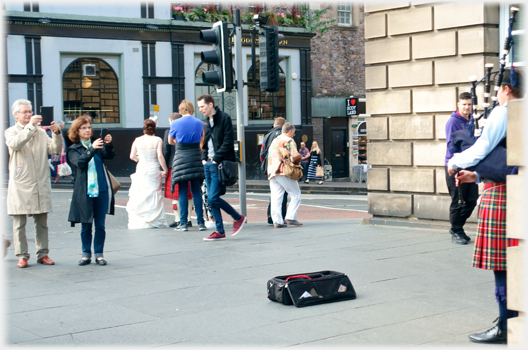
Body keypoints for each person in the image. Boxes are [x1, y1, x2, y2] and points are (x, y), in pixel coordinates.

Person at [448, 68, 524, 344]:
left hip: (504, 196)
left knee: (503, 265)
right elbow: (511, 159)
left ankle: (507, 324)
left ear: (504, 89)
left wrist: (455, 162)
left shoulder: (505, 112)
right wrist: (477, 175)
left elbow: (483, 148)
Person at [5, 99, 62, 268]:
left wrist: (57, 134)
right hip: (21, 182)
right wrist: (30, 126)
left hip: (40, 182)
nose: (29, 114)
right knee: (19, 223)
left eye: (30, 111)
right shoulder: (10, 131)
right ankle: (22, 255)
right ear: (15, 115)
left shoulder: (41, 132)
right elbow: (15, 144)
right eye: (25, 112)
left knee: (42, 222)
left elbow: (54, 150)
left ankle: (43, 254)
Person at [67, 115, 115, 266]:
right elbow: (80, 162)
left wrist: (108, 144)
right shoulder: (73, 149)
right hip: (84, 192)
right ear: (77, 131)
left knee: (100, 224)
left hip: (101, 190)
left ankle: (99, 254)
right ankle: (86, 253)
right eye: (84, 128)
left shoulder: (97, 145)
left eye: (89, 127)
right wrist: (92, 148)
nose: (88, 130)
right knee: (86, 225)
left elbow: (109, 156)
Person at [198, 94, 246, 241]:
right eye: (199, 107)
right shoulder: (205, 122)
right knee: (212, 199)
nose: (201, 109)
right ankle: (220, 230)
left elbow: (227, 141)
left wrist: (215, 160)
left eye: (203, 106)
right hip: (209, 164)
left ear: (210, 104)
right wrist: (204, 158)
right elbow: (205, 143)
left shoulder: (224, 118)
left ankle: (237, 217)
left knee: (212, 197)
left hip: (218, 164)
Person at [445, 92, 479, 245]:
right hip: (456, 167)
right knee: (458, 201)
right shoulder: (453, 122)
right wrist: (456, 163)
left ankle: (457, 227)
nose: (467, 107)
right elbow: (452, 146)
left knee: (471, 200)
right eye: (464, 104)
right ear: (458, 105)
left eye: (469, 104)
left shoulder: (472, 121)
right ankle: (456, 230)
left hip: (470, 168)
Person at [168, 100, 206, 232]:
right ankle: (201, 222)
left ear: (181, 110)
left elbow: (170, 141)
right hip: (195, 156)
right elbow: (202, 139)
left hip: (181, 157)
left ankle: (183, 223)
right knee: (196, 191)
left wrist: (178, 141)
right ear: (192, 109)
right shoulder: (199, 123)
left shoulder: (176, 123)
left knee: (183, 191)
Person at [127, 118, 169, 229]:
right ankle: (155, 220)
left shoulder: (137, 140)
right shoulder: (157, 140)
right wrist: (165, 169)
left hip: (141, 168)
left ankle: (142, 219)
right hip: (153, 168)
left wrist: (138, 159)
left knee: (141, 193)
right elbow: (160, 156)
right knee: (155, 192)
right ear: (154, 128)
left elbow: (131, 156)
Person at [267, 122, 303, 228]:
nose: (293, 135)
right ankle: (290, 217)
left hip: (272, 171)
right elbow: (295, 156)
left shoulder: (275, 140)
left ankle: (277, 221)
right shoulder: (289, 140)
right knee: (296, 194)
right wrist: (297, 163)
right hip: (284, 170)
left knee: (276, 197)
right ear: (290, 131)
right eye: (294, 133)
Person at [162, 112, 193, 229]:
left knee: (176, 193)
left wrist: (164, 166)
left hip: (173, 165)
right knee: (188, 193)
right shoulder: (189, 130)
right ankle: (189, 219)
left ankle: (178, 219)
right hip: (188, 164)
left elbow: (166, 150)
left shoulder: (168, 132)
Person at [260, 117, 287, 225]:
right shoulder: (284, 136)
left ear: (274, 125)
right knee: (283, 193)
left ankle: (271, 216)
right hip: (281, 168)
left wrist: (266, 165)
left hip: (270, 168)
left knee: (274, 192)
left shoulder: (267, 136)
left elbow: (262, 154)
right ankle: (281, 217)